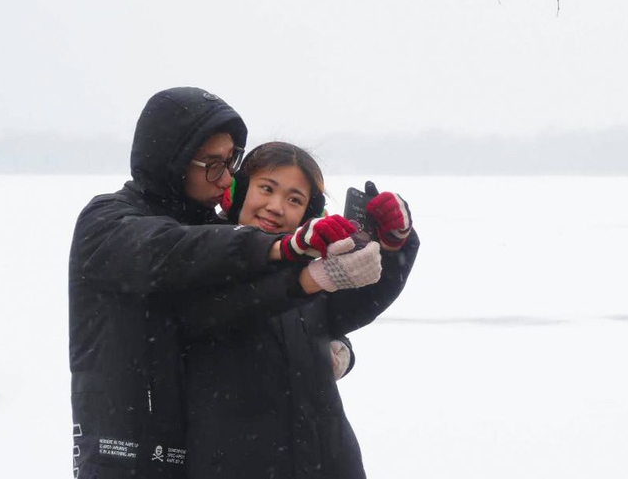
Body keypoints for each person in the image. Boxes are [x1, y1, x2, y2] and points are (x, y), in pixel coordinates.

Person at [69, 88, 382, 479]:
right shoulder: (108, 221)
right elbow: (172, 253)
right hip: (126, 453)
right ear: (173, 158)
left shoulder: (213, 231)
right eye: (213, 164)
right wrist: (284, 248)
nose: (226, 178)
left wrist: (328, 342)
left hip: (192, 452)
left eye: (231, 161)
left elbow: (257, 303)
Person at [181, 141, 420, 478]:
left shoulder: (312, 271)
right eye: (266, 188)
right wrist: (303, 277)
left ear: (309, 215)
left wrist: (393, 245)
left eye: (295, 200)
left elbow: (360, 300)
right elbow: (221, 310)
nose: (276, 207)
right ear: (237, 192)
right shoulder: (202, 253)